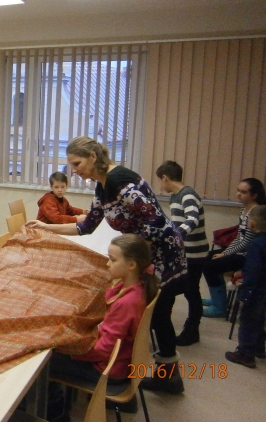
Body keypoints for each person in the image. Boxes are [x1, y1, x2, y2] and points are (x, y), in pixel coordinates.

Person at [26, 136, 187, 394]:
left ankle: (167, 377)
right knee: (154, 315)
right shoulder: (103, 186)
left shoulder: (117, 181)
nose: (74, 170)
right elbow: (87, 226)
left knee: (157, 315)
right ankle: (159, 375)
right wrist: (46, 226)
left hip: (159, 254)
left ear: (92, 157)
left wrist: (134, 256)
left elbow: (154, 220)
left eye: (77, 163)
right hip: (144, 254)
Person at [47, 234, 158, 419]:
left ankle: (57, 415)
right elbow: (107, 300)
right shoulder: (133, 287)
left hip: (108, 371)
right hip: (118, 363)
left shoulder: (128, 303)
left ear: (131, 265)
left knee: (46, 361)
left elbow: (104, 350)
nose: (107, 264)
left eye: (112, 260)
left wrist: (71, 351)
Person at [156, 160, 209, 345]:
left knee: (191, 292)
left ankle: (192, 330)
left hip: (195, 254)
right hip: (184, 252)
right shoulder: (175, 196)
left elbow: (192, 220)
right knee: (172, 289)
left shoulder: (188, 195)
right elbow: (178, 222)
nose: (160, 185)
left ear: (165, 178)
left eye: (160, 181)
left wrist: (175, 235)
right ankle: (162, 323)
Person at [201, 178, 266, 317]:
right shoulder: (243, 210)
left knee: (211, 266)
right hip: (240, 251)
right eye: (238, 190)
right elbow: (239, 237)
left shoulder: (255, 212)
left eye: (243, 192)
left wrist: (225, 254)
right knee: (208, 257)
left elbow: (247, 242)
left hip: (248, 255)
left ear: (254, 195)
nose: (238, 194)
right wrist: (226, 251)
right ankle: (218, 299)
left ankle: (219, 307)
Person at [225, 205, 266, 368]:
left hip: (255, 290)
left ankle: (245, 354)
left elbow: (252, 271)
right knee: (260, 319)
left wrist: (245, 294)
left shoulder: (255, 244)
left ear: (253, 223)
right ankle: (259, 348)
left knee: (248, 320)